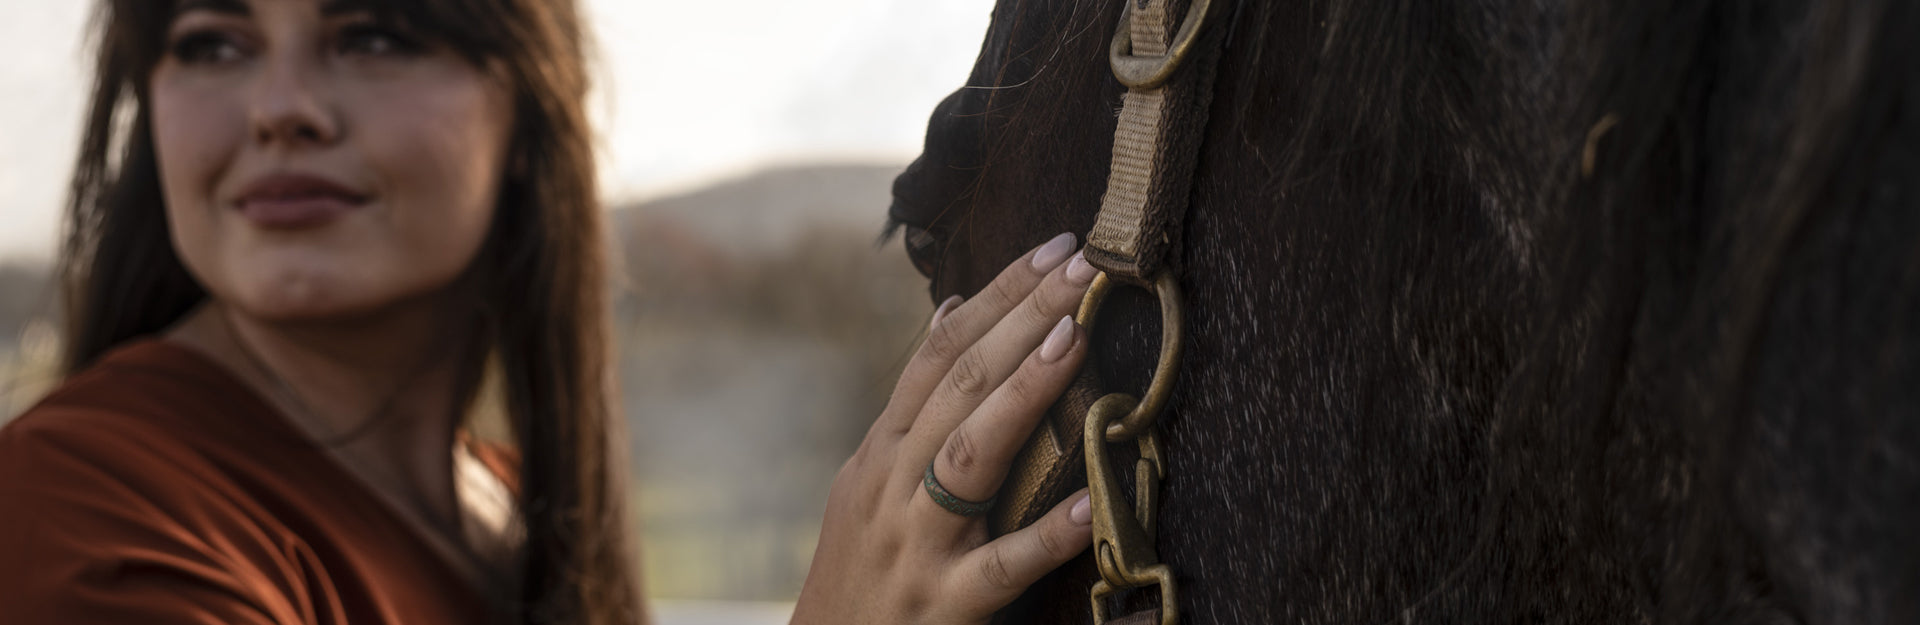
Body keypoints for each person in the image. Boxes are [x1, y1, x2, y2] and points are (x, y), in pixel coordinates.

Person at [0, 0, 1100, 623]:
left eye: (371, 34)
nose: (279, 108)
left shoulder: (517, 508)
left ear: (525, 111)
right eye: (210, 41)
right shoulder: (82, 515)